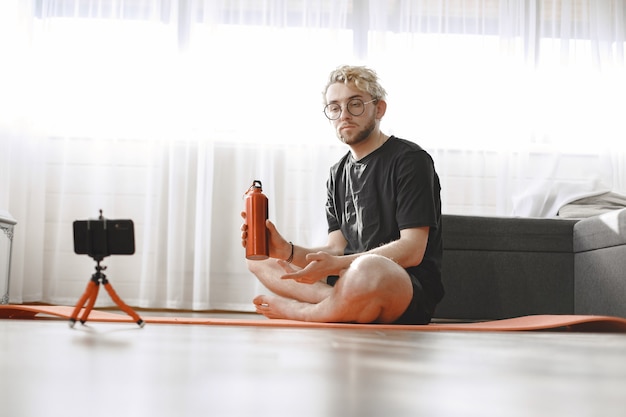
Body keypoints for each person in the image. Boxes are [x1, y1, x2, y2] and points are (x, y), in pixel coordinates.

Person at [240, 65, 444, 324]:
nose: (344, 115)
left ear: (379, 109)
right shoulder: (337, 173)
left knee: (369, 267)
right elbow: (336, 249)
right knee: (260, 261)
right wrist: (286, 250)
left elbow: (412, 250)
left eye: (355, 104)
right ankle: (340, 303)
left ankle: (301, 311)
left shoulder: (410, 160)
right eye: (335, 108)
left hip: (403, 286)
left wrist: (339, 266)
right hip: (350, 278)